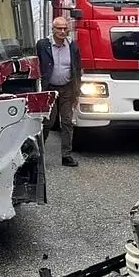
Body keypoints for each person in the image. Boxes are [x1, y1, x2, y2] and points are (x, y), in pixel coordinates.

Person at [37, 15, 82, 167]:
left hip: (67, 88)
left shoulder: (73, 46)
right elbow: (38, 65)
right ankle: (38, 155)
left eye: (65, 28)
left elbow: (77, 68)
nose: (62, 31)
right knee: (48, 122)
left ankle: (66, 155)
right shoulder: (43, 45)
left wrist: (77, 91)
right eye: (59, 28)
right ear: (53, 29)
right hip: (49, 89)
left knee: (67, 122)